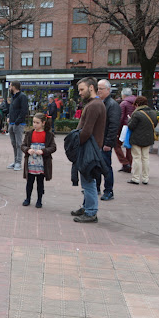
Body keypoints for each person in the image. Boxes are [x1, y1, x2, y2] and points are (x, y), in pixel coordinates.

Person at [71, 77, 107, 223]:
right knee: (88, 179)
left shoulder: (94, 105)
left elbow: (86, 131)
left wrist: (75, 142)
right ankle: (87, 207)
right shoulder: (95, 104)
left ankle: (91, 211)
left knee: (88, 181)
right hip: (91, 147)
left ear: (91, 88)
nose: (80, 93)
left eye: (82, 89)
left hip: (89, 148)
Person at [21, 113, 57, 208]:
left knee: (40, 183)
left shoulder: (48, 135)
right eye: (33, 122)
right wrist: (28, 150)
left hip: (42, 163)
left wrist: (43, 151)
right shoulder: (29, 134)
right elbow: (23, 145)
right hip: (30, 162)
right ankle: (27, 198)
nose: (35, 124)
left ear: (43, 123)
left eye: (37, 122)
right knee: (29, 182)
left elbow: (53, 147)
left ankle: (39, 200)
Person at [97, 79, 121, 201]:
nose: (99, 91)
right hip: (97, 141)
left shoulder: (112, 105)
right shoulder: (100, 102)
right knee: (96, 166)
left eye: (101, 88)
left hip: (104, 142)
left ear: (108, 90)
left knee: (106, 167)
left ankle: (108, 190)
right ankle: (96, 187)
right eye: (98, 88)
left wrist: (108, 143)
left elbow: (113, 126)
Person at [127, 96, 157, 185]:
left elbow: (131, 126)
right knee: (145, 158)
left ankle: (135, 178)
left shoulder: (136, 114)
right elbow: (154, 124)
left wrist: (129, 120)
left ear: (137, 104)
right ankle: (145, 178)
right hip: (148, 138)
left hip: (136, 138)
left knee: (136, 158)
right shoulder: (153, 113)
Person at [8, 81, 28, 171]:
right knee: (13, 143)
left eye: (10, 86)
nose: (9, 87)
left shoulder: (22, 96)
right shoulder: (13, 97)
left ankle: (18, 162)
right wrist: (9, 117)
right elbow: (11, 109)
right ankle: (15, 160)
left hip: (18, 124)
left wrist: (17, 122)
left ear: (14, 87)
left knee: (19, 143)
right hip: (11, 123)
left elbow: (24, 111)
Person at [118, 88, 136, 172]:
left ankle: (125, 163)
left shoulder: (123, 103)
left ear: (123, 95)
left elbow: (121, 117)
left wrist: (117, 130)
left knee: (116, 144)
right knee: (129, 147)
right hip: (134, 126)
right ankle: (129, 165)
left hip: (125, 127)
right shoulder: (137, 102)